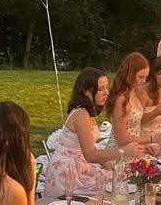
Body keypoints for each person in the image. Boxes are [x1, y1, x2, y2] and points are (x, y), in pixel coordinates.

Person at [45, 68, 137, 196]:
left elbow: (89, 146)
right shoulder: (81, 114)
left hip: (81, 166)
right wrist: (123, 152)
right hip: (67, 172)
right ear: (86, 91)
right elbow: (90, 154)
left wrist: (106, 164)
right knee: (110, 190)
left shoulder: (89, 112)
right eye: (100, 89)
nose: (106, 93)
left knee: (119, 179)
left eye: (106, 87)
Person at [105, 53, 161, 150]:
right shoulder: (121, 100)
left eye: (145, 77)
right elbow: (121, 139)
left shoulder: (133, 94)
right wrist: (151, 138)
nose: (144, 81)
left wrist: (144, 147)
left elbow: (135, 129)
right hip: (120, 153)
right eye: (141, 77)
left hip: (134, 148)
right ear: (130, 75)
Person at [137, 55, 161, 138]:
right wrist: (154, 113)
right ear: (155, 74)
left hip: (159, 137)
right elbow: (134, 122)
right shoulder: (143, 92)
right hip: (142, 138)